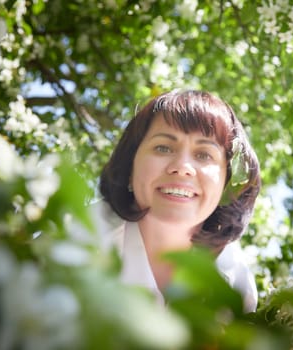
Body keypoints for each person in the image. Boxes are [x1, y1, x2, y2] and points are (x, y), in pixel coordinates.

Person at [93, 89, 261, 312]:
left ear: (226, 183)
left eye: (204, 154)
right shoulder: (75, 236)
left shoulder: (237, 285)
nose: (182, 167)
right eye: (163, 148)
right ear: (130, 169)